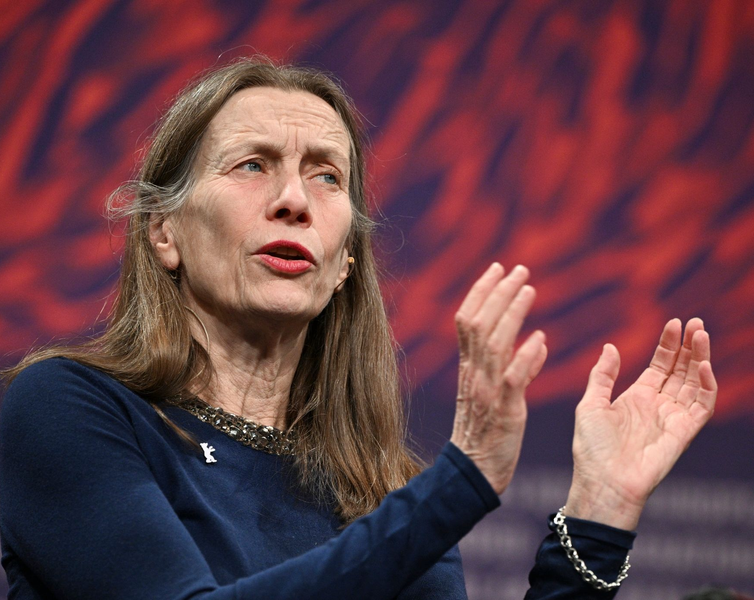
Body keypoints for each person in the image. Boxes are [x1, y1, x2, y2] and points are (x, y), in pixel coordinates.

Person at [0, 56, 717, 599]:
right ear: (165, 233)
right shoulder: (66, 407)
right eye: (252, 165)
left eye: (326, 177)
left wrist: (599, 510)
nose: (292, 201)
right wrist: (459, 486)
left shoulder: (377, 492)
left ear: (343, 261)